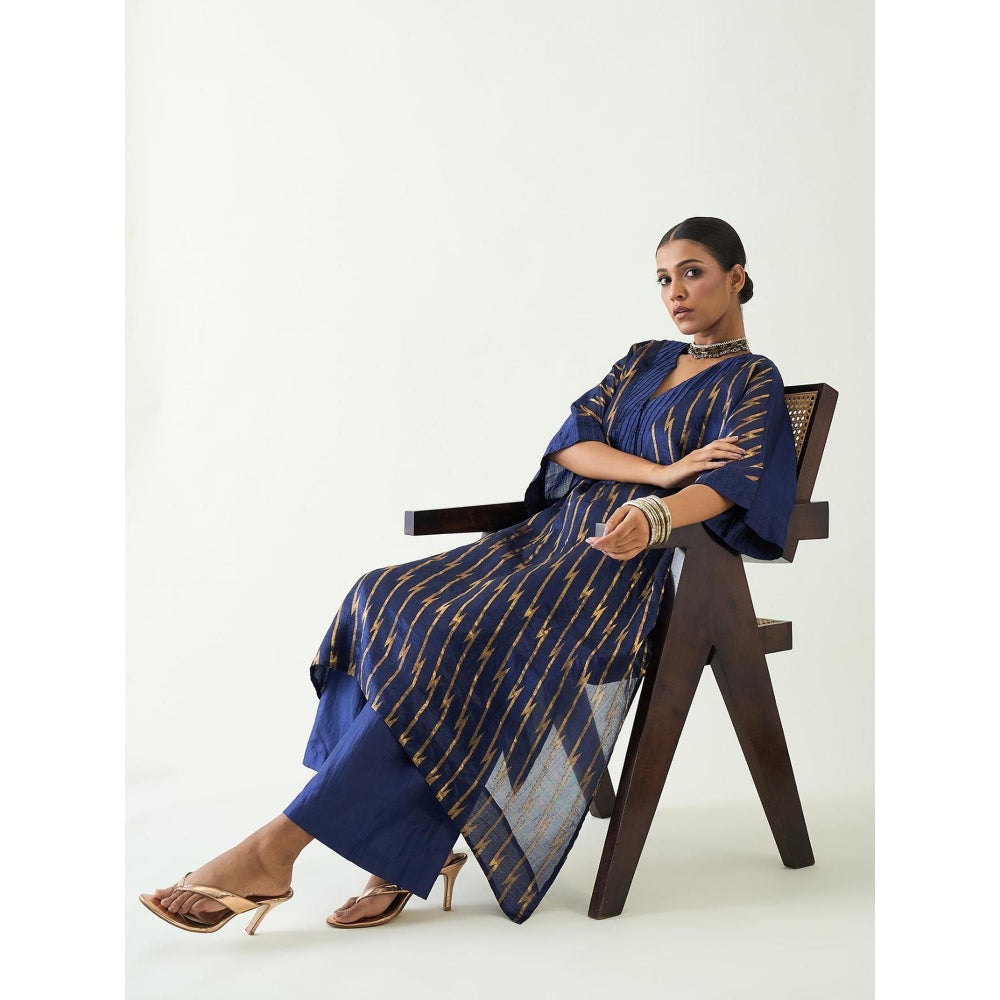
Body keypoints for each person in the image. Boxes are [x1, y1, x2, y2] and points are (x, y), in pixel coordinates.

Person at [139, 216, 797, 932]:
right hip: (543, 541)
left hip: (611, 573)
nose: (676, 292)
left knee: (450, 635)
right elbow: (573, 445)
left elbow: (734, 482)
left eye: (693, 272)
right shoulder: (643, 358)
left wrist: (654, 513)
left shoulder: (753, 380)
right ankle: (391, 845)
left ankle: (275, 850)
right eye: (664, 278)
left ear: (736, 277)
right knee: (382, 595)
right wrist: (662, 471)